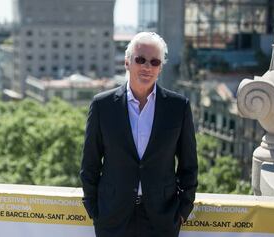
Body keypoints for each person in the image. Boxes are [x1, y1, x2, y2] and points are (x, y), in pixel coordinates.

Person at [80, 32, 198, 237]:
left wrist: (182, 210)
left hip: (162, 219)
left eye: (154, 62)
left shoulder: (178, 107)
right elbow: (90, 163)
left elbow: (189, 165)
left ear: (160, 67)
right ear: (127, 62)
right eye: (140, 59)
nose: (147, 67)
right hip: (112, 218)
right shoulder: (102, 106)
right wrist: (94, 209)